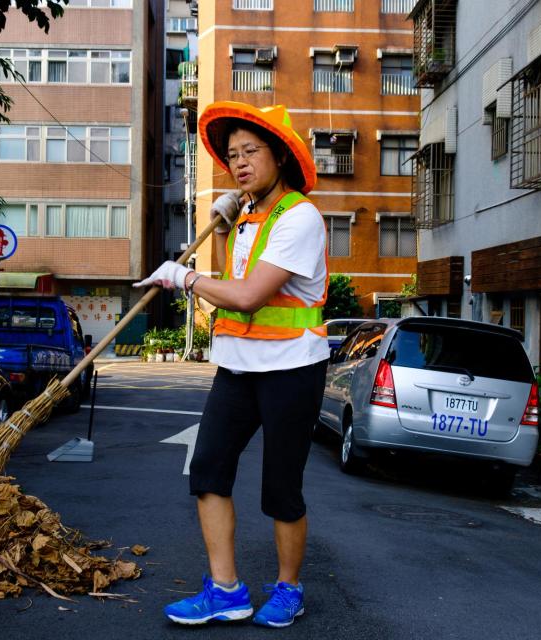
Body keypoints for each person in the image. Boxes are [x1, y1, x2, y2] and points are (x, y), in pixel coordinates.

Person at [133, 101, 329, 628]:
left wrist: (182, 277)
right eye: (232, 155)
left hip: (292, 368)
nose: (239, 163)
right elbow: (229, 287)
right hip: (238, 366)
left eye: (251, 152)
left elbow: (245, 296)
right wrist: (222, 230)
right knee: (208, 471)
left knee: (281, 490)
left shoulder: (301, 217)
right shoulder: (246, 216)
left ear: (280, 157)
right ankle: (226, 590)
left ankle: (289, 589)